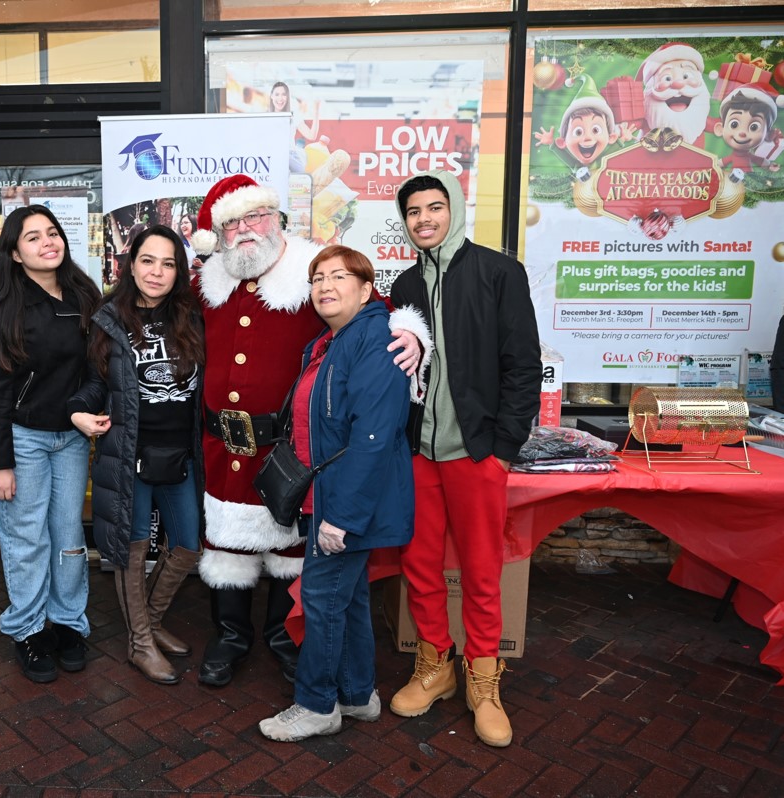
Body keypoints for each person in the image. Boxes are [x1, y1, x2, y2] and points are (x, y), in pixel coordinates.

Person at [187, 174, 429, 688]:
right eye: (232, 223)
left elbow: (370, 306)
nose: (245, 230)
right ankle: (230, 635)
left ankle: (282, 635)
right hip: (221, 444)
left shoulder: (310, 271)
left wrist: (408, 330)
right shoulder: (207, 283)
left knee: (289, 547)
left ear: (276, 219)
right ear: (219, 234)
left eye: (255, 216)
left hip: (287, 447)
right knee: (226, 543)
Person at [388, 171, 541, 748]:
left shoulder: (499, 273)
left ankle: (484, 679)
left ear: (454, 209)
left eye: (434, 207)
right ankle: (436, 667)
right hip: (418, 454)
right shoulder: (402, 286)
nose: (424, 219)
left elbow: (523, 367)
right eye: (413, 212)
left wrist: (504, 449)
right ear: (404, 221)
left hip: (477, 452)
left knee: (480, 570)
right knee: (421, 565)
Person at [259, 245, 413, 741]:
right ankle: (356, 694)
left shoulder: (375, 339)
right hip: (327, 494)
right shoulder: (332, 340)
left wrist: (340, 516)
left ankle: (316, 705)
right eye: (317, 277)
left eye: (339, 276)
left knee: (323, 598)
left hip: (346, 502)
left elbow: (372, 435)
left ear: (367, 289)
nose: (324, 286)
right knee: (346, 601)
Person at [68, 225, 204, 685]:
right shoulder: (109, 319)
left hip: (180, 454)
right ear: (131, 263)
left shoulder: (192, 316)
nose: (157, 271)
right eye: (148, 260)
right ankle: (140, 642)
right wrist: (78, 412)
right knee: (131, 550)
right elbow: (93, 383)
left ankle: (150, 620)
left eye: (168, 263)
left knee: (187, 543)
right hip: (128, 455)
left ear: (178, 271)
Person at [0, 205, 102, 684]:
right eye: (33, 237)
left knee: (68, 536)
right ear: (14, 251)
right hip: (23, 438)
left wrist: (83, 408)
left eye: (52, 233)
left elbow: (98, 368)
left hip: (71, 439)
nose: (48, 242)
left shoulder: (84, 294)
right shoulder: (6, 306)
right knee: (27, 539)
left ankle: (69, 622)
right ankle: (28, 629)